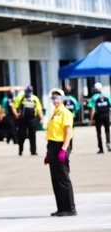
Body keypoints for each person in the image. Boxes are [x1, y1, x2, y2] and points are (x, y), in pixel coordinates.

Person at [44, 88, 76, 217]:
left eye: (57, 98)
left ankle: (70, 208)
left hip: (61, 146)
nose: (55, 100)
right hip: (52, 146)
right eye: (53, 98)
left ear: (62, 99)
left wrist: (63, 150)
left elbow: (68, 133)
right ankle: (61, 207)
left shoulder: (65, 113)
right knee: (55, 179)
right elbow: (51, 133)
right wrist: (48, 153)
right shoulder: (54, 113)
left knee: (63, 178)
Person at [12, 85, 43, 156]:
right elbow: (14, 106)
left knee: (32, 135)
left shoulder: (35, 98)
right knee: (22, 135)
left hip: (32, 119)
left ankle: (33, 151)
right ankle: (20, 150)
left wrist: (41, 118)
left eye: (30, 91)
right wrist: (16, 114)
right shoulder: (21, 97)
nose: (29, 92)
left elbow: (39, 109)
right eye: (27, 91)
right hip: (22, 119)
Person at [87, 82, 110, 154]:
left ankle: (101, 148)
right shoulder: (107, 95)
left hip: (98, 116)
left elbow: (93, 109)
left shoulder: (94, 97)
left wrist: (91, 119)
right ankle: (108, 142)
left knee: (99, 132)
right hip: (106, 114)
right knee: (107, 130)